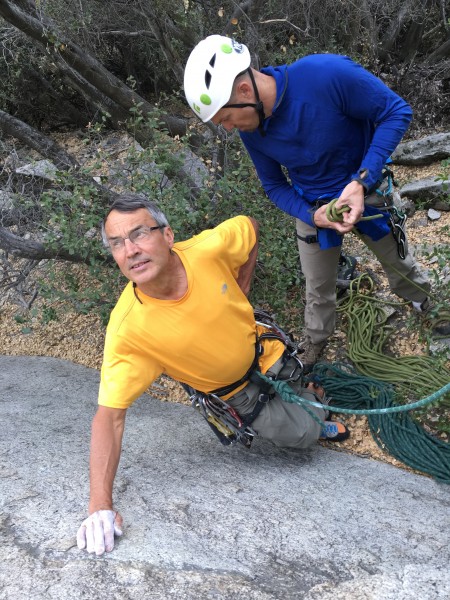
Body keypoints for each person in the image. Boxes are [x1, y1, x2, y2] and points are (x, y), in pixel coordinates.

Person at [76, 193, 348, 556]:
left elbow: (248, 227)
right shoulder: (130, 330)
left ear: (168, 235)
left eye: (140, 234)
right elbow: (109, 418)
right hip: (235, 392)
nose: (131, 250)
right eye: (117, 243)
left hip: (263, 349)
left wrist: (241, 288)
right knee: (303, 433)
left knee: (294, 381)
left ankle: (308, 395)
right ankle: (315, 411)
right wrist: (100, 506)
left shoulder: (205, 250)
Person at [184, 35, 448, 371]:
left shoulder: (325, 75)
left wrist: (360, 181)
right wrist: (313, 215)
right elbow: (274, 185)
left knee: (396, 260)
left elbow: (395, 111)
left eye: (225, 119)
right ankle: (315, 340)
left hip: (369, 190)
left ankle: (424, 301)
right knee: (318, 285)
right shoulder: (253, 131)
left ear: (245, 93)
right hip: (316, 207)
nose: (230, 128)